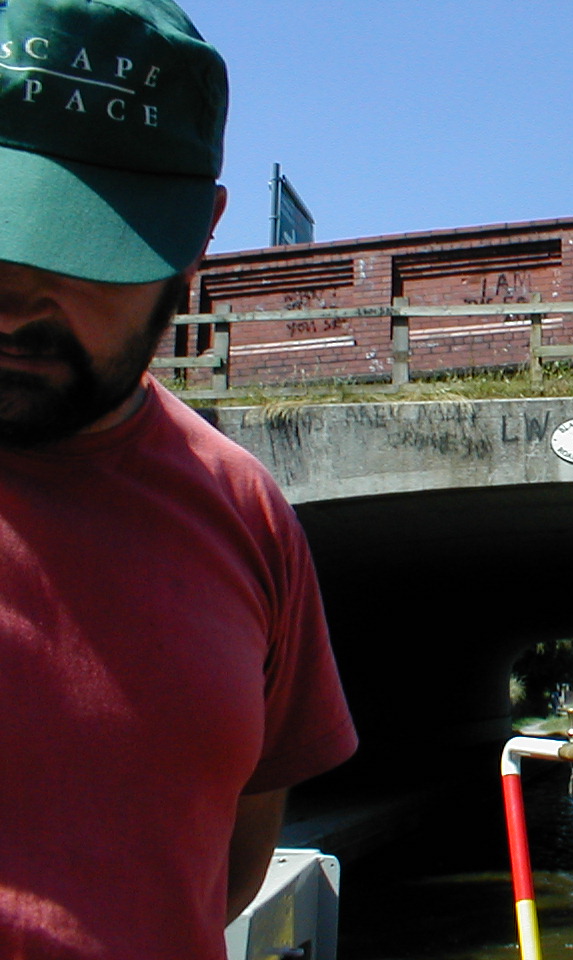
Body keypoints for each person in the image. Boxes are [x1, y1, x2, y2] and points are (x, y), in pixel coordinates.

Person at [0, 2, 357, 957]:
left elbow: (228, 871)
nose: (15, 293)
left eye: (78, 247)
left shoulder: (246, 517)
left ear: (196, 239)